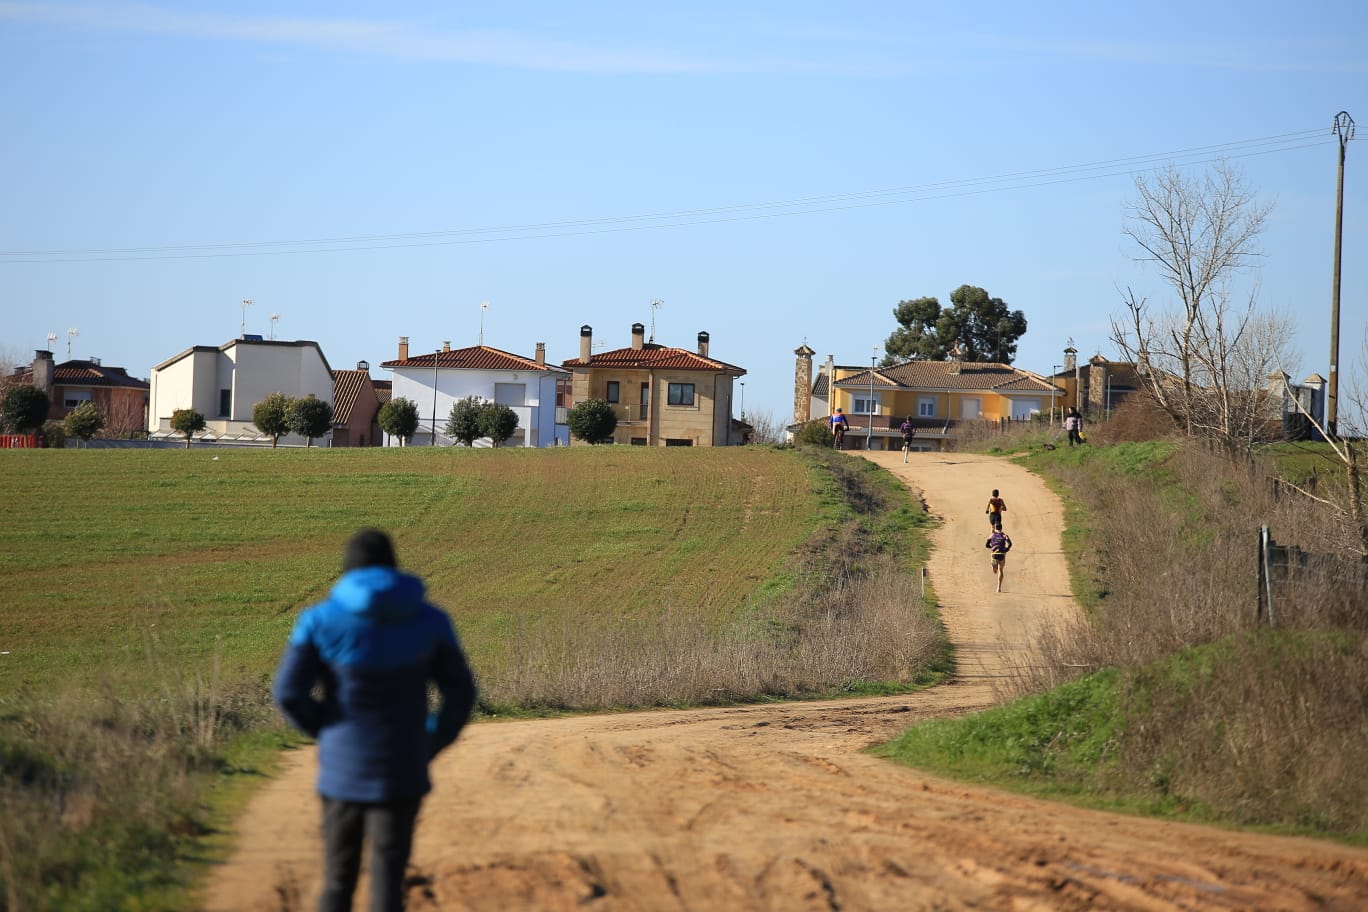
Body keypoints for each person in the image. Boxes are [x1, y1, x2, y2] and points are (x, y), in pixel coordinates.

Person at [274, 529, 478, 912]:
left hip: (341, 771)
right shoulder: (431, 621)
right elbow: (461, 694)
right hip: (402, 769)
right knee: (388, 879)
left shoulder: (318, 621)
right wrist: (430, 741)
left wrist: (326, 730)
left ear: (348, 570)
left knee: (337, 879)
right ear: (393, 566)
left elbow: (288, 692)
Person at [985, 526, 1013, 593]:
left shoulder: (992, 535)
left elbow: (986, 545)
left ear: (995, 529)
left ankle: (994, 566)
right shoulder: (1004, 535)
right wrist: (1006, 549)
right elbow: (1010, 544)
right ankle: (999, 588)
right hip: (1002, 554)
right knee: (1001, 570)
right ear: (1001, 528)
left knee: (995, 571)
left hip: (994, 553)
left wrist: (992, 547)